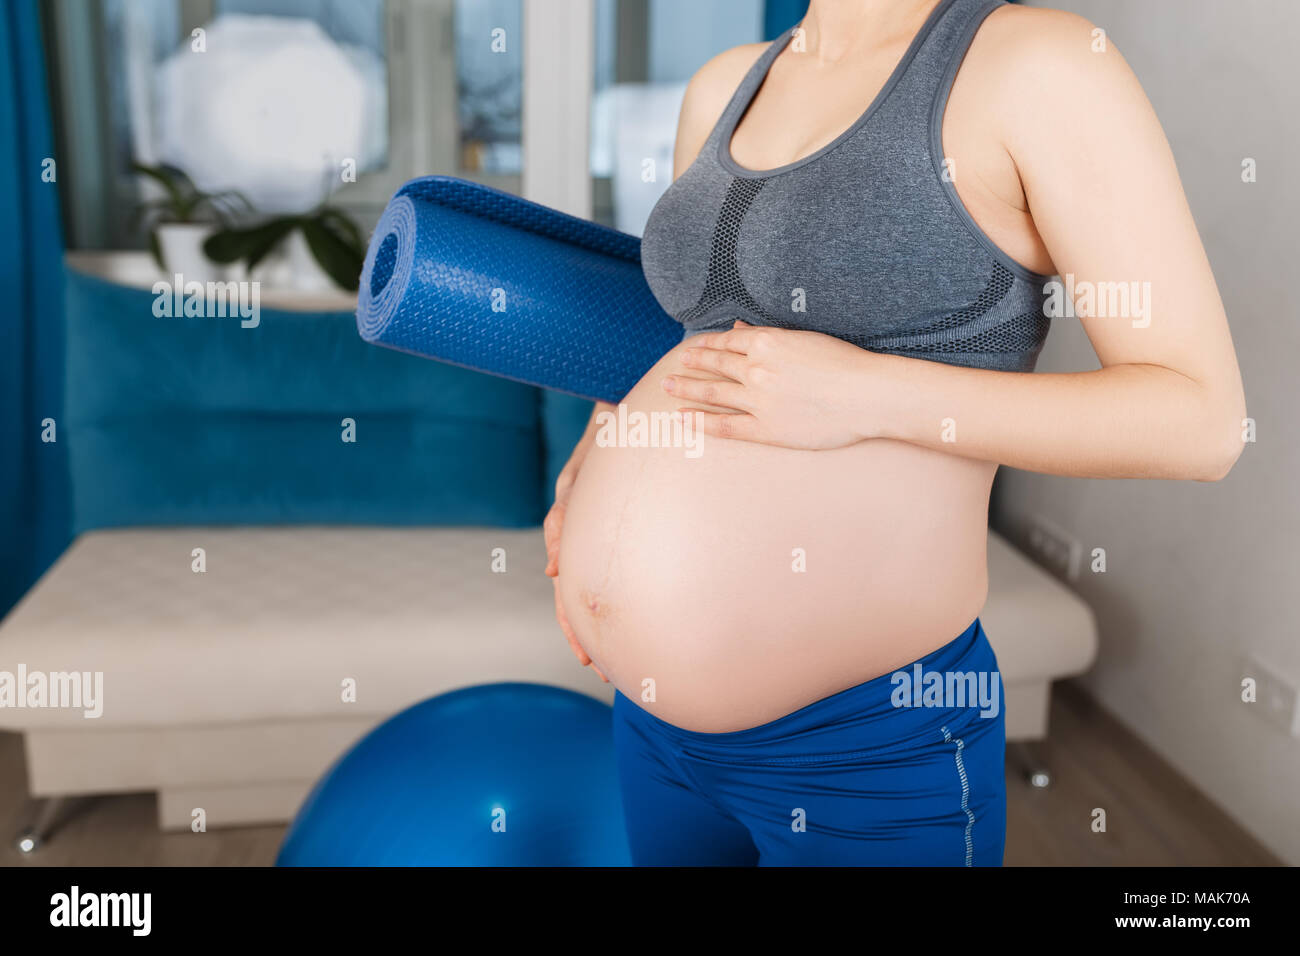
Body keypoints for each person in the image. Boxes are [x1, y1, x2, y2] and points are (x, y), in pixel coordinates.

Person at [544, 0, 1245, 865]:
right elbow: (689, 337)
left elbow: (1198, 419)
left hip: (871, 743)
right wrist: (594, 458)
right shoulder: (725, 83)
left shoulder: (1036, 65)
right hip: (651, 728)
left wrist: (865, 395)